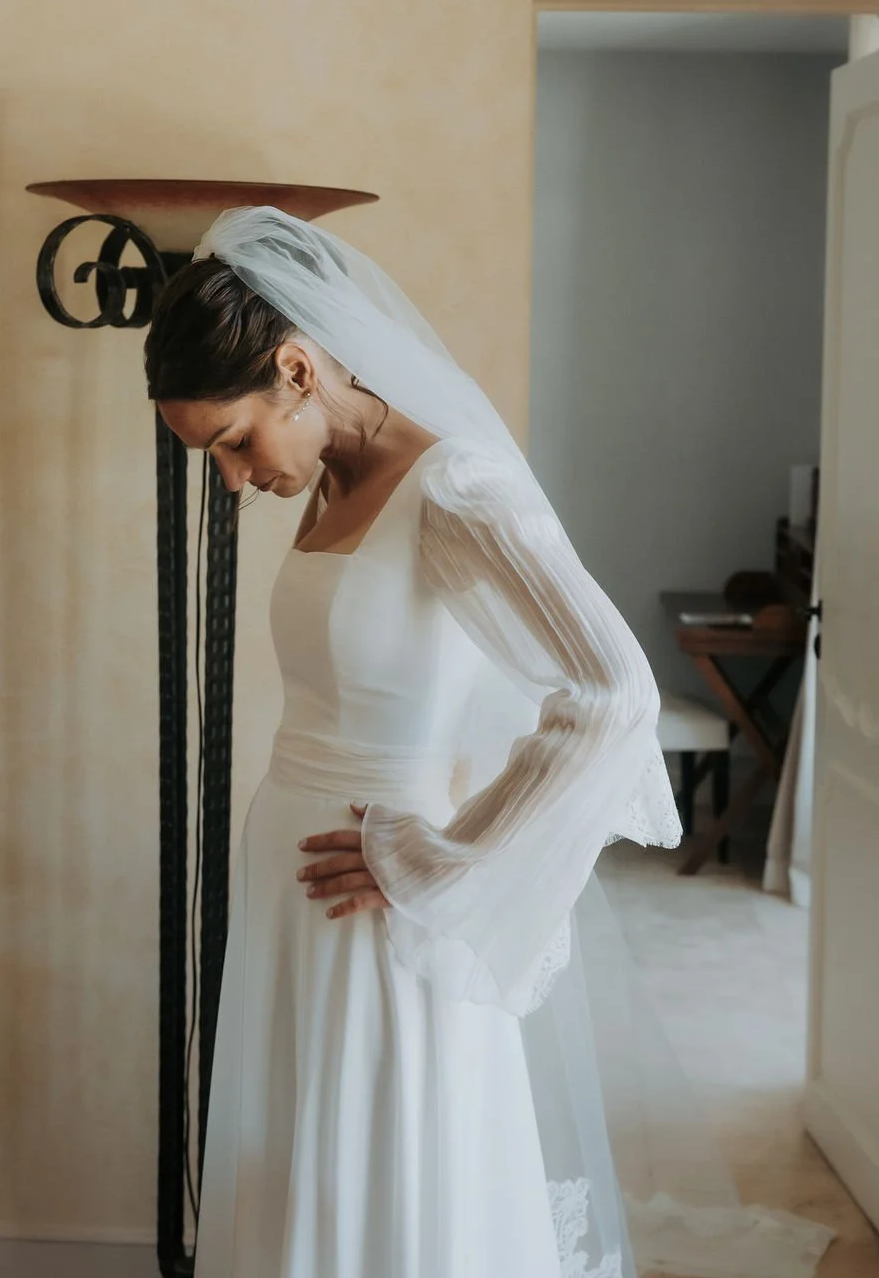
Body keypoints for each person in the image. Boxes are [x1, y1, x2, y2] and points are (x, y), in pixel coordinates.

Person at [144, 208, 833, 1278]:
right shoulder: (324, 474)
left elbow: (610, 692)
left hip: (379, 907)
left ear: (294, 368)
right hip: (296, 887)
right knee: (301, 1174)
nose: (230, 479)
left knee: (391, 1178)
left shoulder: (453, 490)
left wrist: (445, 861)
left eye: (233, 442)